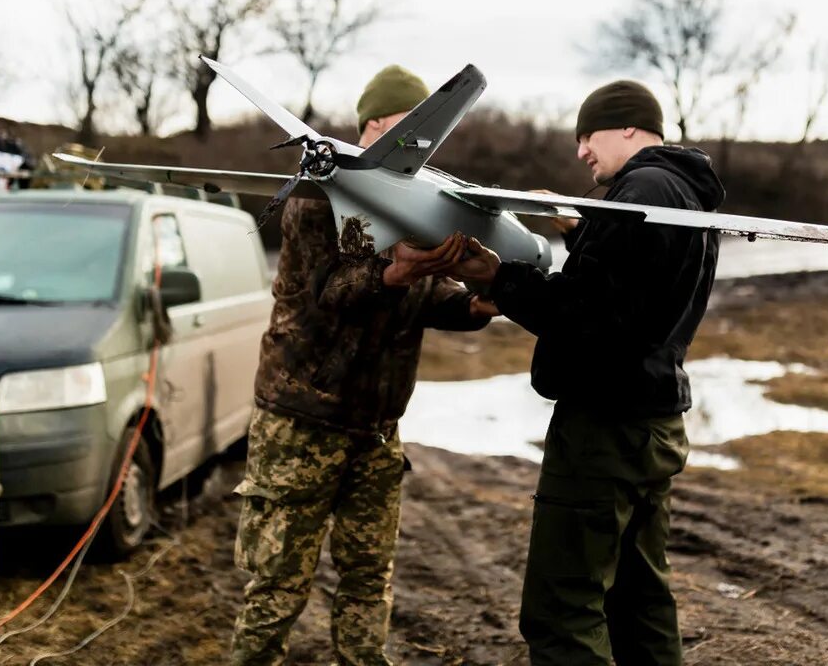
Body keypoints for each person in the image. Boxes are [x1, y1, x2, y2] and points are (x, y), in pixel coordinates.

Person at [446, 80, 725, 665]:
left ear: (627, 128)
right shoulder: (686, 194)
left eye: (587, 136)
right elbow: (632, 300)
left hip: (604, 430)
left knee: (561, 610)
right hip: (653, 421)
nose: (580, 153)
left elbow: (584, 316)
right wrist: (583, 232)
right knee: (640, 602)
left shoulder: (640, 190)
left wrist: (500, 277)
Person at [230, 65, 497, 666]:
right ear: (373, 126)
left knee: (368, 579)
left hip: (376, 429)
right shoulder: (318, 195)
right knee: (277, 587)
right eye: (411, 125)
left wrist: (474, 303)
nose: (426, 141)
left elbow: (421, 300)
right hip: (302, 422)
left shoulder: (418, 198)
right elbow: (330, 293)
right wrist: (397, 271)